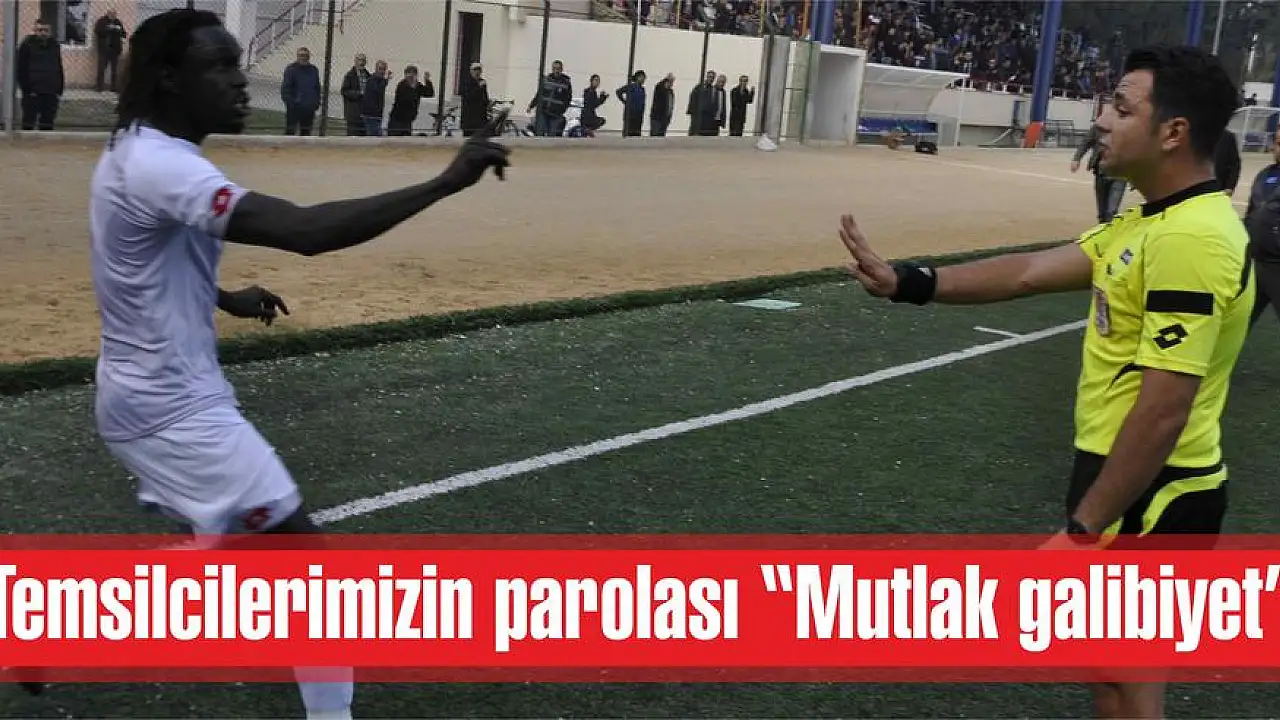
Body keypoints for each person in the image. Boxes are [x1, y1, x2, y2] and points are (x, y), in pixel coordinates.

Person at [87, 9, 510, 719]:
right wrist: (444, 183)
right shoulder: (162, 165)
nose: (239, 81)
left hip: (150, 397)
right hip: (172, 409)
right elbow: (306, 231)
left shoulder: (137, 150)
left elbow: (138, 260)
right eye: (219, 67)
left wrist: (223, 297)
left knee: (233, 556)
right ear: (170, 80)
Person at [837, 45, 1248, 719]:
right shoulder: (1152, 220)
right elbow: (1029, 272)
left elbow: (1165, 408)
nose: (1102, 120)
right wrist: (911, 281)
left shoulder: (1191, 239)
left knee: (1126, 679)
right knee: (1115, 678)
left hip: (1157, 493)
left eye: (1122, 108)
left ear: (1173, 131)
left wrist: (1083, 531)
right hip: (1127, 480)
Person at [1071, 102, 1127, 224]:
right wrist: (1076, 158)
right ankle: (1102, 229)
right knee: (1102, 211)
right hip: (1101, 171)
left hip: (1120, 173)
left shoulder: (1129, 128)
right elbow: (1086, 142)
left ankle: (1109, 231)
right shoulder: (1099, 126)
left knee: (1111, 211)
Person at [1245, 133, 1280, 328]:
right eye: (1278, 143)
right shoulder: (1265, 174)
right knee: (1241, 318)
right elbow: (1253, 210)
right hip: (1257, 261)